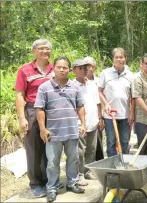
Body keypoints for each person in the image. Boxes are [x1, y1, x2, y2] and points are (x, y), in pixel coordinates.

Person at [35, 56, 86, 202]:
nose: (62, 70)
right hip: (53, 133)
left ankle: (72, 183)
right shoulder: (44, 88)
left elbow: (80, 107)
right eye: (59, 67)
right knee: (52, 162)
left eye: (65, 67)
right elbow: (40, 109)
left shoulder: (75, 87)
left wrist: (82, 124)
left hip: (71, 131)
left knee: (73, 159)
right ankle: (52, 187)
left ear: (69, 70)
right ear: (54, 68)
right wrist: (42, 129)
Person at [15, 39, 54, 197]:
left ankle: (49, 180)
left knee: (51, 146)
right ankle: (36, 183)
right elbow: (19, 94)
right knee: (34, 147)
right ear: (34, 51)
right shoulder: (25, 70)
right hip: (32, 110)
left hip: (52, 110)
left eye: (47, 48)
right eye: (41, 48)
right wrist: (22, 118)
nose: (45, 51)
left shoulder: (55, 67)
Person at [98, 48, 134, 157]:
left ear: (125, 58)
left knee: (124, 141)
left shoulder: (130, 75)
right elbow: (99, 92)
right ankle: (112, 166)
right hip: (110, 116)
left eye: (121, 57)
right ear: (113, 59)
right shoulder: (105, 73)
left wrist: (132, 113)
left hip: (125, 115)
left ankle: (124, 164)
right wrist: (106, 104)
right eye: (116, 57)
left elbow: (133, 97)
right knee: (111, 142)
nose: (119, 59)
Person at [72, 59, 101, 186]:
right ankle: (80, 174)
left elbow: (97, 102)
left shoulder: (92, 84)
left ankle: (88, 170)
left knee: (92, 149)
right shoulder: (71, 86)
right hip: (79, 123)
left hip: (93, 121)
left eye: (85, 68)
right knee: (80, 151)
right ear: (73, 70)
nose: (84, 70)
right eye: (80, 68)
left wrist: (100, 118)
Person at [83, 56, 105, 161]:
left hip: (96, 117)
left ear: (94, 67)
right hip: (83, 118)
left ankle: (98, 164)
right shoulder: (77, 82)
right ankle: (83, 168)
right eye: (86, 65)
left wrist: (101, 118)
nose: (89, 68)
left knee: (97, 143)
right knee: (83, 145)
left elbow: (99, 102)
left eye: (91, 65)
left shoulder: (99, 81)